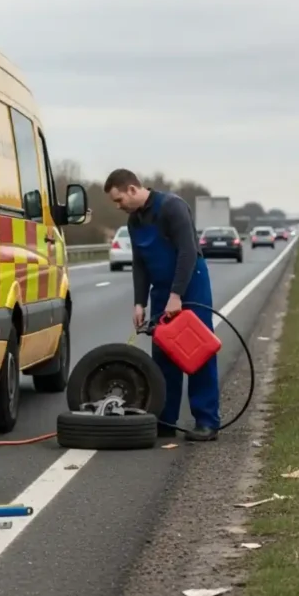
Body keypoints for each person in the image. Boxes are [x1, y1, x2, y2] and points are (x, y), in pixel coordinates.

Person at [103, 169, 220, 442]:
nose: (118, 206)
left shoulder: (172, 207)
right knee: (165, 354)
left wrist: (177, 295)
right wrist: (139, 302)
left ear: (132, 189)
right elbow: (140, 264)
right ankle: (166, 420)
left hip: (191, 284)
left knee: (197, 351)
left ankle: (207, 421)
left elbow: (188, 251)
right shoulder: (134, 221)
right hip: (161, 289)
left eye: (119, 200)